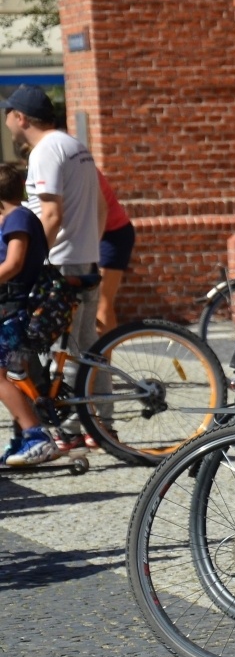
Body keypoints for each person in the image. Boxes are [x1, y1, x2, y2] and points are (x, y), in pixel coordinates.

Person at [3, 85, 104, 421]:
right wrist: (88, 244)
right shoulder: (75, 146)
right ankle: (102, 424)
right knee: (89, 349)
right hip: (84, 256)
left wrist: (31, 263)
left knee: (63, 350)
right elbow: (101, 206)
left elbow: (51, 214)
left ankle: (72, 428)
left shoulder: (45, 151)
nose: (6, 122)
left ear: (20, 117)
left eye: (7, 115)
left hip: (59, 262)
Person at [0, 161, 57, 466]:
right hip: (13, 307)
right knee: (15, 376)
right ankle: (24, 436)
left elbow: (13, 264)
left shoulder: (18, 219)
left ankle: (37, 436)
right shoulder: (17, 217)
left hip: (14, 310)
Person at [95, 170, 135, 334]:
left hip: (113, 234)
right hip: (95, 235)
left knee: (102, 301)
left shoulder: (81, 165)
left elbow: (101, 208)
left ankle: (106, 350)